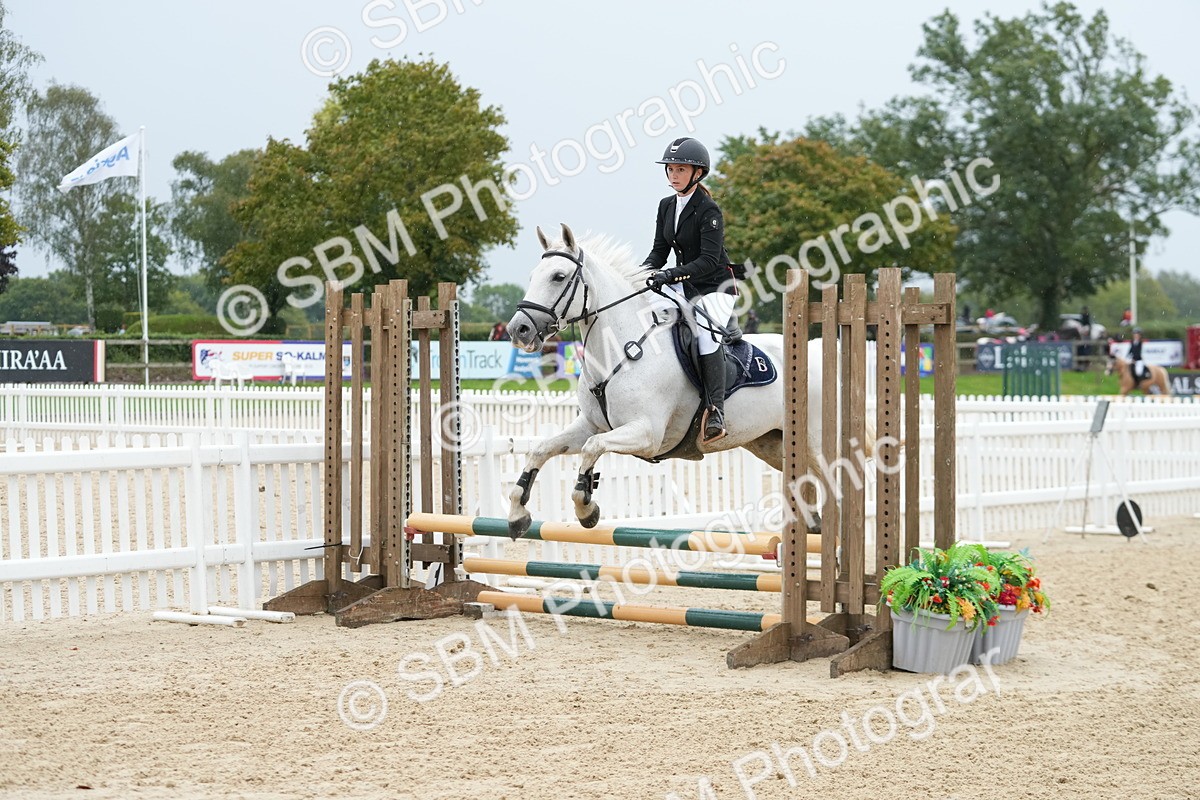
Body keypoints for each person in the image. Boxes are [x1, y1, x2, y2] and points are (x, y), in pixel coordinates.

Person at [641, 136, 738, 443]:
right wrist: (641, 274)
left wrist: (670, 274)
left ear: (698, 173)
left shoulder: (709, 210)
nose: (673, 175)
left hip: (716, 287)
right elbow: (659, 251)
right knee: (647, 316)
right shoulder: (666, 205)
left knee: (706, 336)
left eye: (680, 169)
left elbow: (708, 260)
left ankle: (716, 410)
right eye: (670, 169)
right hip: (684, 285)